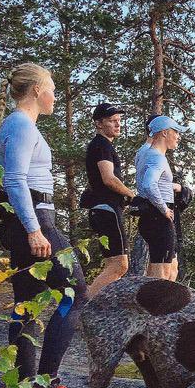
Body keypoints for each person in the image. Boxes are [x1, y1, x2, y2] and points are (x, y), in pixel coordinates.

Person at [0, 63, 89, 388]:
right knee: (76, 296)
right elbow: (15, 180)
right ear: (36, 90)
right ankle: (47, 381)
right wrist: (35, 230)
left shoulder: (16, 124)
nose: (54, 96)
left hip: (24, 221)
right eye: (51, 88)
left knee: (28, 304)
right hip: (34, 220)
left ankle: (23, 386)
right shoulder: (21, 124)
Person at [84, 102, 136, 298]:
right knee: (119, 265)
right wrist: (132, 195)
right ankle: (85, 307)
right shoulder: (101, 145)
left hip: (103, 209)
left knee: (112, 264)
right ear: (98, 123)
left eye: (119, 120)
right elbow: (109, 178)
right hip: (107, 209)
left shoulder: (102, 145)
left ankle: (93, 307)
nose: (118, 124)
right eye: (112, 121)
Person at [137, 115, 185, 280]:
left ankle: (150, 305)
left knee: (163, 269)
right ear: (164, 133)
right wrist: (164, 209)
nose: (178, 136)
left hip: (152, 216)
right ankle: (157, 306)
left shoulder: (148, 153)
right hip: (158, 217)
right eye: (176, 132)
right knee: (162, 275)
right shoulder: (156, 157)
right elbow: (149, 184)